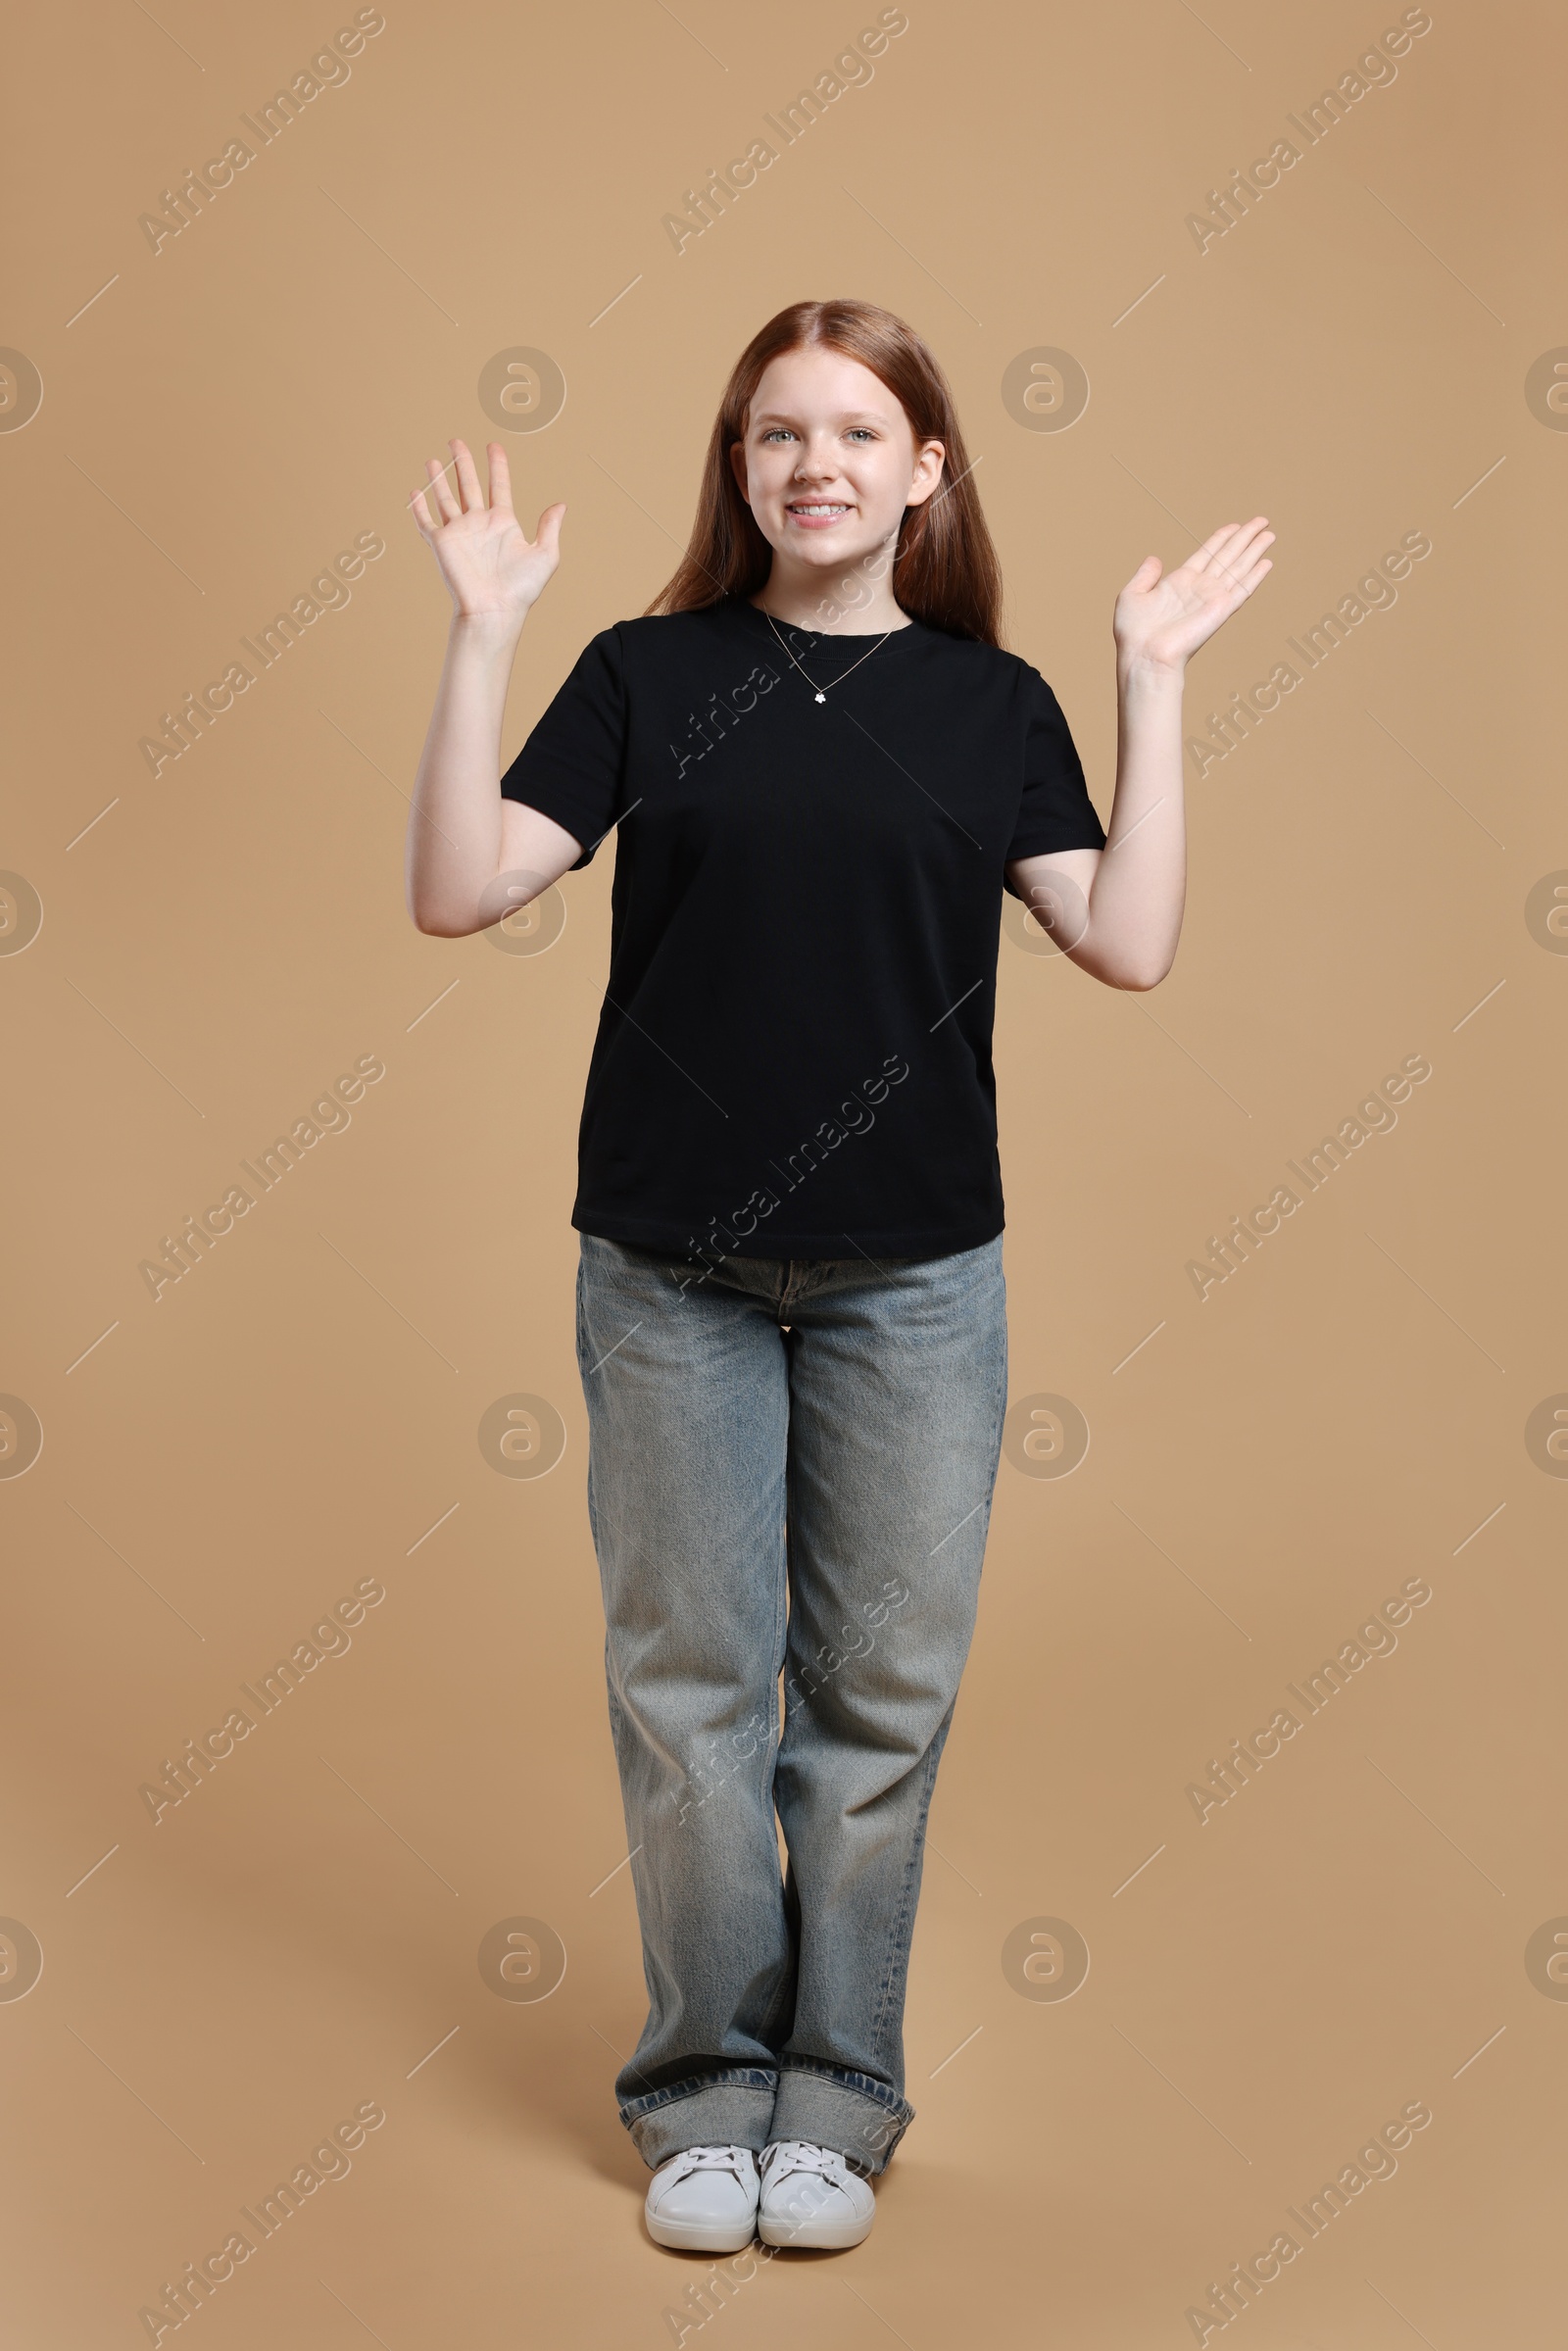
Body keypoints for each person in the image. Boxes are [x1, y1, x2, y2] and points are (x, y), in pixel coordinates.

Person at [405, 298, 1272, 2254]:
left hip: (910, 1285)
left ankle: (838, 2091)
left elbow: (1122, 943)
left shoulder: (993, 704)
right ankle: (703, 2085)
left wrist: (1150, 686)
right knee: (692, 1689)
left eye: (856, 433)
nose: (814, 462)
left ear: (924, 471)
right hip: (670, 1270)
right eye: (774, 432)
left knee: (875, 1699)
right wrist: (479, 636)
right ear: (738, 471)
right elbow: (460, 887)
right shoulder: (644, 673)